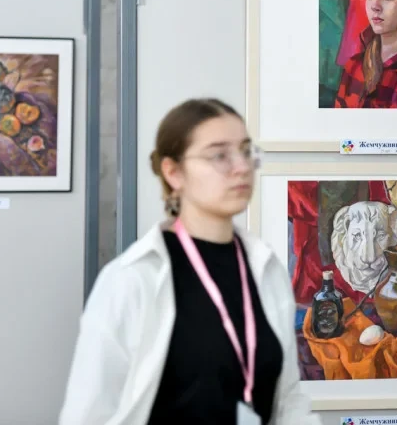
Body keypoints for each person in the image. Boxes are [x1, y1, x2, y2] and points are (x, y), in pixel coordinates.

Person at [59, 98, 321, 425]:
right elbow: (88, 415)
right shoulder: (131, 279)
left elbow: (288, 398)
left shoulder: (266, 269)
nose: (241, 167)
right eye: (219, 155)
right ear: (174, 172)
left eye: (245, 151)